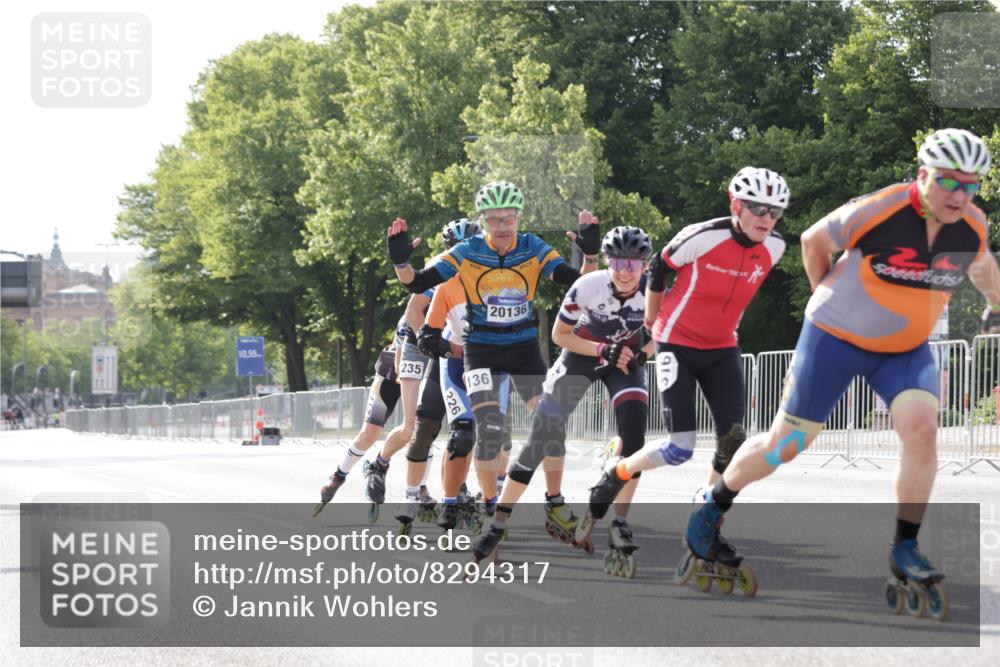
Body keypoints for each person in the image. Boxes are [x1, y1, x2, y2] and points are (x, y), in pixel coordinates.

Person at [685, 129, 999, 618]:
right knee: (787, 445)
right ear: (922, 176)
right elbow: (813, 240)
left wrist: (995, 307)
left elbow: (981, 265)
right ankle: (715, 500)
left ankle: (905, 546)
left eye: (971, 185)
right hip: (835, 339)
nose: (959, 195)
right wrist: (821, 292)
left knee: (923, 431)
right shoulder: (882, 208)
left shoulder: (971, 225)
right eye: (948, 182)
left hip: (903, 350)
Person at [586, 167, 788, 545]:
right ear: (736, 205)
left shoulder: (775, 247)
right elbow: (660, 270)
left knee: (734, 440)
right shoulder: (703, 235)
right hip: (676, 342)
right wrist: (650, 321)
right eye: (758, 208)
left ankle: (705, 516)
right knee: (680, 447)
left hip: (722, 346)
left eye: (775, 211)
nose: (766, 218)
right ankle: (619, 473)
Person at [387, 180, 601, 523]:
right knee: (487, 430)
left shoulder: (532, 247)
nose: (502, 227)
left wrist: (590, 255)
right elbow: (417, 283)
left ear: (518, 217)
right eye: (494, 220)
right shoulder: (467, 251)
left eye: (509, 219)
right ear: (483, 220)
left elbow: (580, 285)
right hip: (481, 350)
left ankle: (554, 500)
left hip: (522, 349)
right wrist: (400, 261)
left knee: (552, 422)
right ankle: (490, 505)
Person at [470, 227, 656, 570]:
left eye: (633, 262)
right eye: (617, 261)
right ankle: (497, 523)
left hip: (625, 360)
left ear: (646, 264)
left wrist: (643, 354)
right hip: (582, 356)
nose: (625, 269)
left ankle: (619, 521)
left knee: (635, 437)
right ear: (608, 261)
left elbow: (663, 335)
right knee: (541, 439)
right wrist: (602, 348)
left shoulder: (655, 290)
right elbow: (559, 334)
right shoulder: (588, 285)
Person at [313, 340, 402, 517]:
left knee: (420, 430)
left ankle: (381, 465)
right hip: (392, 373)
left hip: (424, 374)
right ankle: (338, 476)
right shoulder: (415, 312)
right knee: (369, 435)